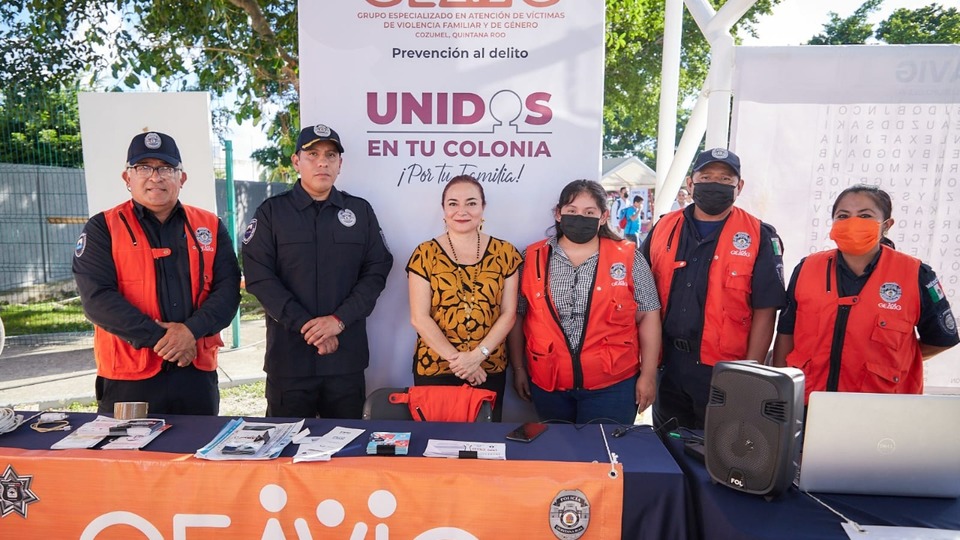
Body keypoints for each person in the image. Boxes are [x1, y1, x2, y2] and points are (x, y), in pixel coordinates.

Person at [73, 131, 241, 415]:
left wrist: (191, 332)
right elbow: (97, 299)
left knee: (195, 455)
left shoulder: (210, 226)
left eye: (165, 168)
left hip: (195, 372)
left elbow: (228, 291)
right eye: (144, 168)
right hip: (129, 376)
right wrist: (164, 340)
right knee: (128, 458)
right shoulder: (103, 228)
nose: (155, 177)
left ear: (181, 178)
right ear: (128, 178)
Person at [241, 124, 393, 419]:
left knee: (347, 450)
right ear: (296, 161)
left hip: (345, 361)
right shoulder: (272, 213)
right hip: (290, 361)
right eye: (312, 154)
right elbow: (260, 277)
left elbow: (377, 270)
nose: (322, 162)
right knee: (285, 453)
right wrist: (308, 327)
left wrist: (338, 321)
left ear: (340, 164)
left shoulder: (360, 211)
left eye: (330, 155)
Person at [641, 148, 786, 430]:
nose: (714, 184)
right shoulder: (662, 229)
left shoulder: (759, 235)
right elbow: (643, 300)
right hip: (668, 364)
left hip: (725, 370)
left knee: (721, 454)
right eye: (706, 176)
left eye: (724, 179)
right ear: (691, 183)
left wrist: (749, 374)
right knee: (668, 453)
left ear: (739, 186)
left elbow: (765, 312)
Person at [771, 184, 958, 402]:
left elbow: (941, 339)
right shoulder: (807, 268)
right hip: (808, 401)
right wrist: (779, 388)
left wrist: (894, 362)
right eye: (843, 216)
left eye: (865, 215)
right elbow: (786, 333)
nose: (853, 222)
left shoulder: (916, 275)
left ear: (886, 225)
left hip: (880, 406)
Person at [508, 180, 662, 425]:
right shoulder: (532, 257)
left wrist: (648, 376)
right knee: (560, 458)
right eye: (571, 211)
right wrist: (518, 369)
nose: (580, 218)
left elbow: (649, 315)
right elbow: (517, 316)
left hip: (613, 387)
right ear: (558, 214)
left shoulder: (629, 257)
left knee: (606, 457)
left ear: (603, 217)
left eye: (589, 212)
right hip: (549, 385)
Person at [406, 175, 522, 421]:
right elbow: (419, 317)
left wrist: (477, 356)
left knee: (484, 444)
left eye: (471, 203)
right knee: (436, 445)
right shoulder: (424, 253)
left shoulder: (506, 253)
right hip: (436, 366)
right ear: (443, 209)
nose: (462, 211)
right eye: (453, 203)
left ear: (483, 208)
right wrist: (461, 362)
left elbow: (509, 313)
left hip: (488, 367)